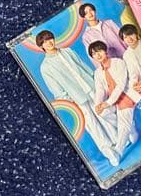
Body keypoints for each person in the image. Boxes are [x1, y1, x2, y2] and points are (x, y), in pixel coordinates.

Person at [35, 29, 119, 166]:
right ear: (41, 46)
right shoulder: (46, 67)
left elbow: (83, 65)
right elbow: (55, 88)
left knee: (105, 114)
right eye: (44, 42)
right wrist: (68, 100)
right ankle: (110, 153)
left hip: (90, 86)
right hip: (75, 98)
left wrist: (96, 81)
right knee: (92, 125)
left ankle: (118, 141)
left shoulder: (67, 51)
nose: (49, 42)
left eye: (50, 39)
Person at [89, 40, 139, 161]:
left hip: (126, 95)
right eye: (94, 54)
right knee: (101, 113)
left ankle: (118, 151)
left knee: (123, 120)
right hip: (113, 100)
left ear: (105, 51)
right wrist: (98, 105)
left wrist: (108, 102)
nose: (98, 55)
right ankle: (131, 128)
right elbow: (100, 90)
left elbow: (121, 85)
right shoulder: (98, 72)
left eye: (99, 51)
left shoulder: (118, 63)